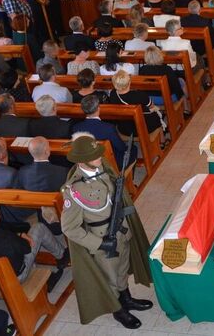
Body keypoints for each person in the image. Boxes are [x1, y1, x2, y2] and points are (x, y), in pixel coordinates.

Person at [60, 135, 153, 328]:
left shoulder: (103, 168)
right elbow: (69, 227)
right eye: (94, 155)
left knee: (121, 269)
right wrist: (99, 244)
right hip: (102, 239)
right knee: (109, 277)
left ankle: (126, 298)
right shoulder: (74, 190)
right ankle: (118, 310)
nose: (99, 157)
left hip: (120, 230)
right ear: (82, 160)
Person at [0, 202, 67, 290]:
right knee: (38, 228)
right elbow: (27, 247)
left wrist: (19, 234)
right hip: (15, 277)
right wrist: (22, 237)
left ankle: (42, 275)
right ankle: (62, 256)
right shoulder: (4, 238)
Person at [72, 94, 129, 168]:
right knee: (133, 149)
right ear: (98, 108)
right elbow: (121, 147)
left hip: (86, 160)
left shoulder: (76, 127)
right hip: (108, 161)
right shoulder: (109, 128)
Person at [107, 70, 164, 137]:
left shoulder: (113, 94)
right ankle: (162, 142)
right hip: (143, 127)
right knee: (157, 116)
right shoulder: (139, 94)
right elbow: (151, 106)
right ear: (129, 82)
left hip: (124, 128)